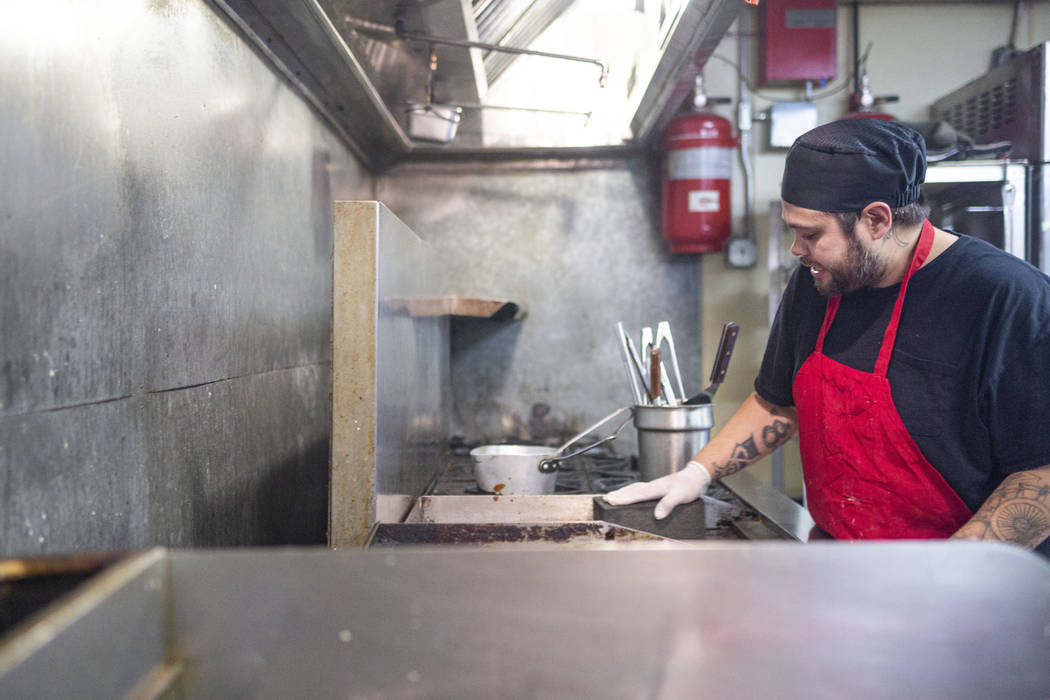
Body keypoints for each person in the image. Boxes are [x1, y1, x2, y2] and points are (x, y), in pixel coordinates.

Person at [606, 118, 1050, 555]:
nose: (798, 250)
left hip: (969, 594)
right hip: (842, 567)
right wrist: (696, 473)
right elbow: (776, 403)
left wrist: (947, 578)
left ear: (877, 220)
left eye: (811, 234)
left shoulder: (1006, 299)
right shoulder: (820, 281)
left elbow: (1042, 474)